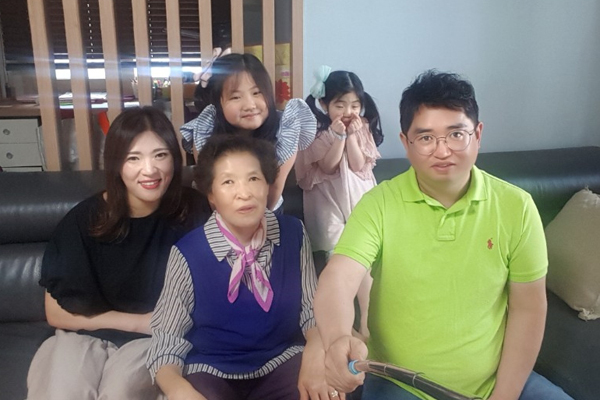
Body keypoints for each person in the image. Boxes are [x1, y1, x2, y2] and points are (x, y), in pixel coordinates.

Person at [313, 70, 574, 400]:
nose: (442, 150)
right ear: (406, 143)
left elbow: (528, 308)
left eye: (456, 134)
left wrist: (504, 394)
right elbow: (339, 277)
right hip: (400, 383)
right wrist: (337, 338)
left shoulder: (516, 207)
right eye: (425, 138)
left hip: (499, 381)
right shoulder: (378, 204)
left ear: (478, 134)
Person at [26, 107, 211, 400]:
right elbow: (56, 313)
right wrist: (139, 322)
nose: (149, 170)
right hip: (84, 337)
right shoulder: (85, 219)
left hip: (157, 341)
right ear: (116, 164)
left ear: (175, 159)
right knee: (63, 392)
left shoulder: (194, 211)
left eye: (160, 155)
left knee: (121, 391)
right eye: (133, 158)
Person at [146, 134, 339, 400]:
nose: (244, 193)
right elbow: (167, 339)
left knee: (329, 387)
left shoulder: (293, 233)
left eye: (253, 178)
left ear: (267, 185)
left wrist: (316, 352)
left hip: (282, 360)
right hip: (210, 369)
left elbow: (311, 310)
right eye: (228, 182)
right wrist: (178, 389)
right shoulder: (188, 252)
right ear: (211, 195)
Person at [295, 66, 383, 339]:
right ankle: (343, 329)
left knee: (365, 260)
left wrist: (353, 136)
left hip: (358, 198)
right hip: (327, 201)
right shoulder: (317, 131)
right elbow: (329, 166)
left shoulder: (362, 127)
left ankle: (366, 324)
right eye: (340, 104)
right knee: (338, 260)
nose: (348, 111)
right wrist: (338, 137)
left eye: (355, 105)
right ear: (324, 105)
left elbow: (357, 164)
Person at [180, 53, 317, 212]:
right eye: (236, 97)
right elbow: (211, 190)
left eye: (257, 92)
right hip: (219, 213)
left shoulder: (285, 130)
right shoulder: (206, 131)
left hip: (267, 211)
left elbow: (273, 191)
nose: (250, 105)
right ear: (218, 103)